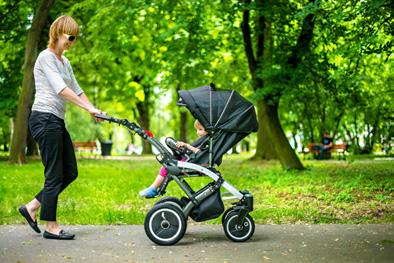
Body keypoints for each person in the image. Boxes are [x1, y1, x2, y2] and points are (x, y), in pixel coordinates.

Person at [18, 15, 103, 240]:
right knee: (54, 174)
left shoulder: (65, 62)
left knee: (70, 172)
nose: (72, 42)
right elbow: (62, 89)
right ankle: (51, 226)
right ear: (58, 32)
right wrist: (87, 109)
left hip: (55, 120)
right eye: (70, 37)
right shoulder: (46, 57)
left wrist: (94, 108)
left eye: (75, 38)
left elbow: (76, 88)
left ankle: (32, 207)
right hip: (44, 119)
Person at [139, 120, 208, 198]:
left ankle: (153, 188)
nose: (197, 132)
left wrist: (187, 146)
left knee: (168, 166)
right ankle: (154, 188)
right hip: (193, 161)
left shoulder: (208, 141)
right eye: (196, 130)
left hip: (196, 163)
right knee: (166, 167)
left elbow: (200, 152)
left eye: (200, 129)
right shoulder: (204, 140)